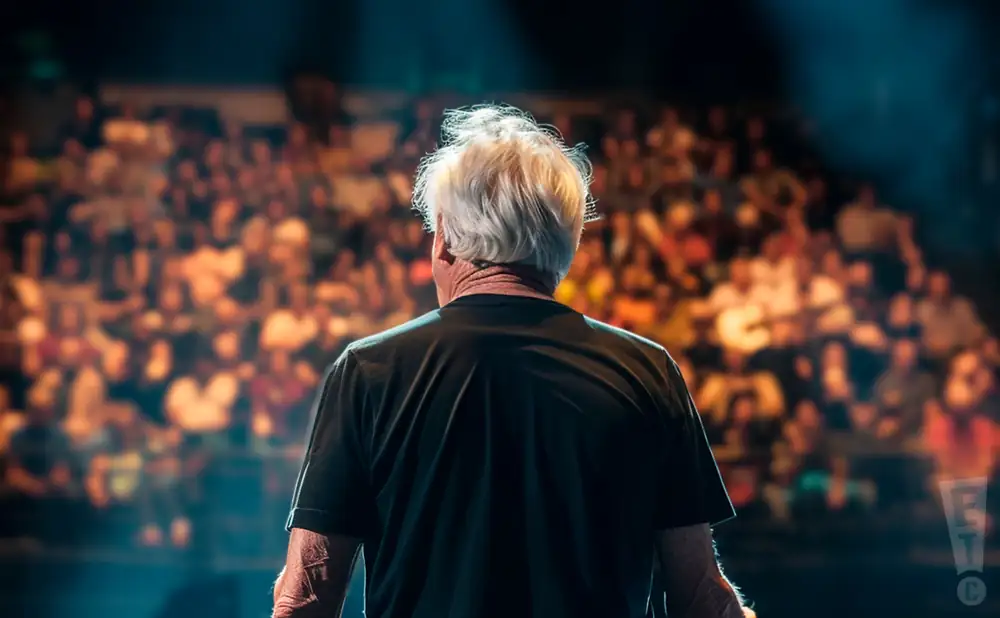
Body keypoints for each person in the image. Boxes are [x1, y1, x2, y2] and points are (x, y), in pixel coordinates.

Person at [272, 105, 751, 618]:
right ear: (566, 243)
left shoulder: (369, 371)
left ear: (445, 238)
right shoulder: (645, 372)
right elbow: (701, 597)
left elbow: (307, 597)